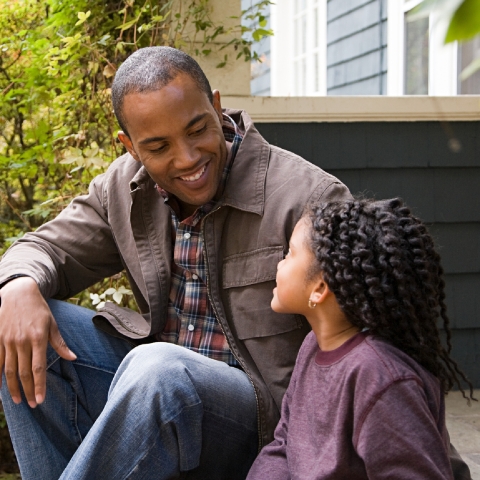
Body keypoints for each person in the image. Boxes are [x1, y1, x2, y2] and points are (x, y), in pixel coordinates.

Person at [0, 46, 352, 479]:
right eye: (159, 146)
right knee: (14, 320)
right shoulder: (123, 188)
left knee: (161, 371)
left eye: (197, 129)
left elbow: (379, 348)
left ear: (217, 107)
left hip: (261, 424)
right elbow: (43, 248)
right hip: (156, 394)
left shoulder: (309, 200)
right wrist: (16, 284)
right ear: (129, 146)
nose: (187, 158)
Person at [246, 198, 476, 480]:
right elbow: (283, 444)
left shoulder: (380, 378)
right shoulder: (312, 347)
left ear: (320, 288)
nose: (279, 264)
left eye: (290, 254)